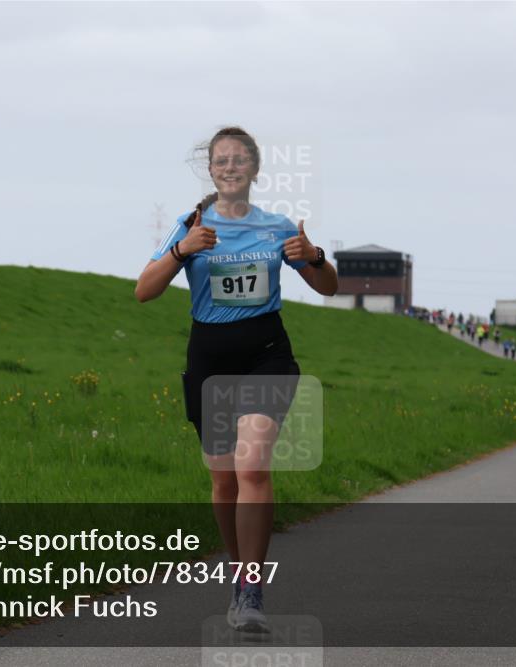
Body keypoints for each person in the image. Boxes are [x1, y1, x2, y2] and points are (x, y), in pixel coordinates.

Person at [135, 127, 339, 631]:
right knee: (224, 481)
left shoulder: (276, 227)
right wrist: (182, 251)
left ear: (254, 168)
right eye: (221, 160)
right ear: (211, 170)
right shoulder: (190, 225)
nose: (230, 167)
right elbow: (144, 290)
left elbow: (329, 287)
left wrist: (314, 256)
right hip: (210, 361)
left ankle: (252, 588)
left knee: (252, 466)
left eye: (239, 159)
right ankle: (237, 571)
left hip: (266, 355)